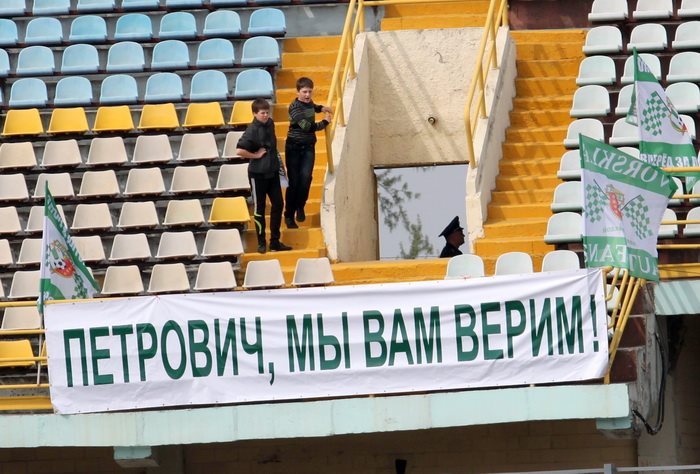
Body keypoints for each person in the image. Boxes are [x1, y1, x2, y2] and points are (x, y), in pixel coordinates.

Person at [236, 99, 292, 254]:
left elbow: (273, 147)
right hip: (257, 175)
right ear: (255, 113)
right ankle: (261, 242)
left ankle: (275, 241)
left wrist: (281, 165)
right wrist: (256, 155)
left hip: (272, 172)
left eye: (267, 112)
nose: (266, 115)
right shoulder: (251, 130)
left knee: (278, 204)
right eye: (262, 113)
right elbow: (239, 150)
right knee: (259, 208)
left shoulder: (270, 123)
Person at [284, 76, 333, 229]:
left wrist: (321, 108)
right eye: (304, 92)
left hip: (308, 147)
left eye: (310, 92)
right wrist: (325, 122)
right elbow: (307, 126)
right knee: (294, 182)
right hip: (293, 147)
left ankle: (300, 205)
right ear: (298, 92)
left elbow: (312, 107)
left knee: (306, 178)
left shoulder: (309, 102)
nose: (307, 95)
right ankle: (289, 215)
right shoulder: (294, 107)